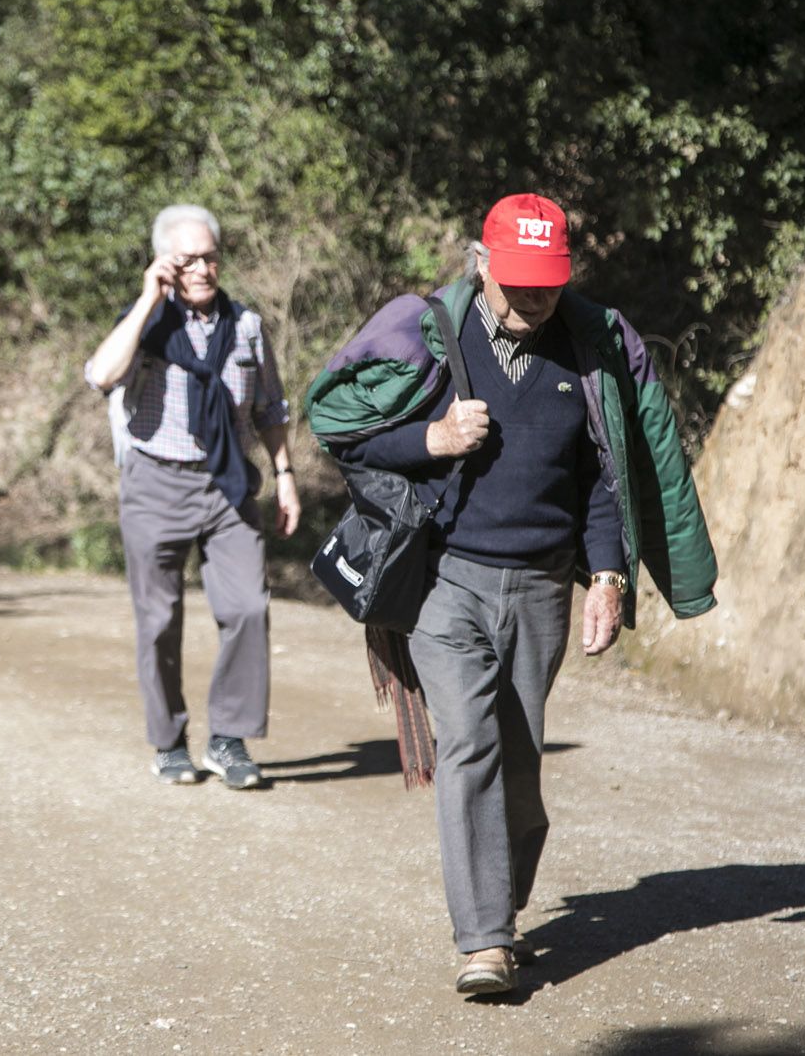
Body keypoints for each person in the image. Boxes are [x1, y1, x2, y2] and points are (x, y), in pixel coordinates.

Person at [305, 193, 717, 994]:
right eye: (520, 282)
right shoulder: (431, 335)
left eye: (549, 283)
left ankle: (504, 898)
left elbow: (604, 474)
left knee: (520, 761)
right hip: (444, 581)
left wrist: (607, 576)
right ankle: (483, 940)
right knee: (470, 742)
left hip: (539, 588)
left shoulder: (585, 349)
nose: (535, 298)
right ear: (482, 264)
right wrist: (430, 438)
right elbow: (348, 434)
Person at [85, 204, 301, 790]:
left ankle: (228, 739)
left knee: (248, 609)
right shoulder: (146, 325)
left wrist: (284, 475)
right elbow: (101, 375)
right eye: (188, 259)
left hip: (227, 483)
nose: (202, 269)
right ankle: (168, 741)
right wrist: (147, 301)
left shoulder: (247, 325)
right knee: (159, 620)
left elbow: (270, 408)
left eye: (210, 256)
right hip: (155, 482)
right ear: (163, 263)